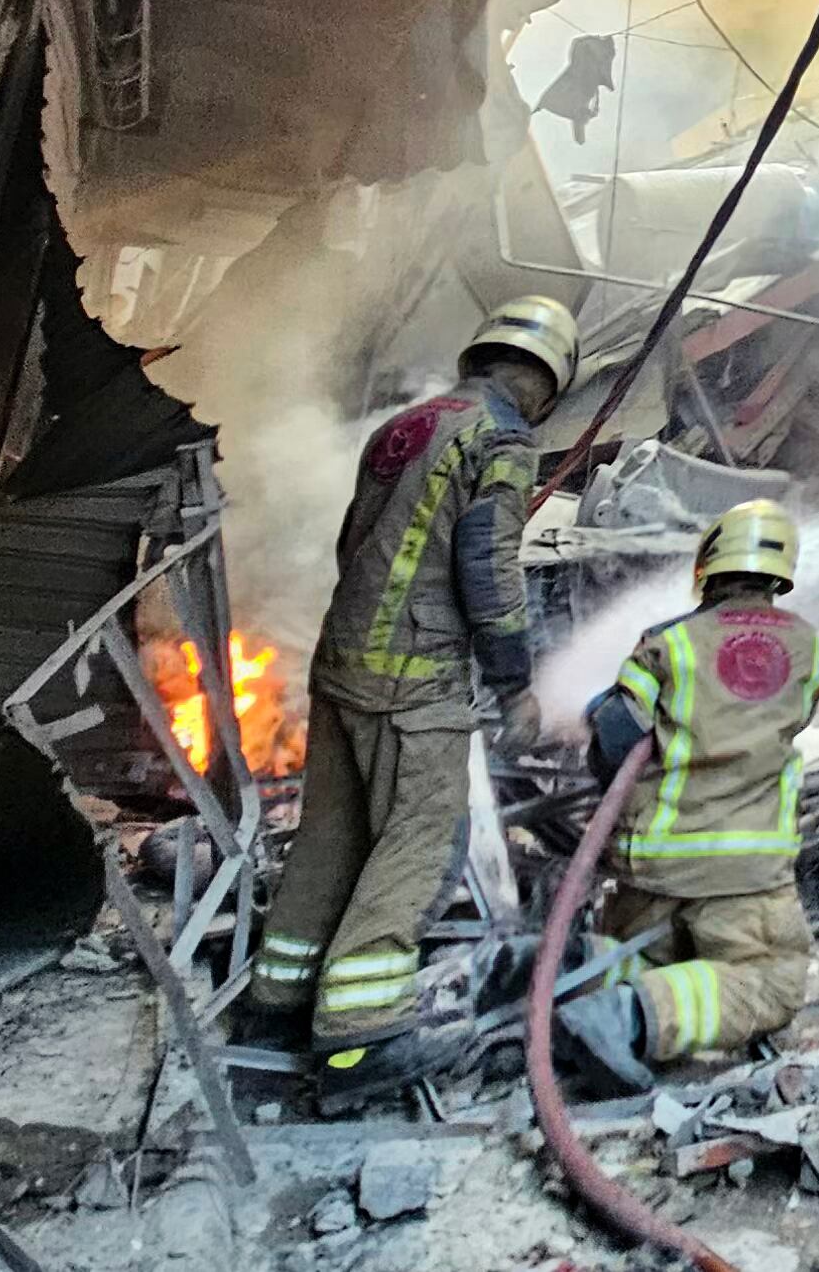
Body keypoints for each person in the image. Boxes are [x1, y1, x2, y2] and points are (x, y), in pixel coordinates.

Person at [247, 295, 574, 1079]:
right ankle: (359, 1035)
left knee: (331, 835)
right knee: (421, 843)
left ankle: (276, 1000)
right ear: (545, 382)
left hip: (342, 665)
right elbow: (489, 568)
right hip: (414, 683)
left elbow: (353, 541)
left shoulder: (405, 426)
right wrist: (513, 686)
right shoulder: (501, 436)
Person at [553, 499, 819, 1089]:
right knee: (775, 980)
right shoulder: (811, 649)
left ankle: (582, 974)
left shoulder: (666, 643)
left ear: (707, 565)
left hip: (651, 860)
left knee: (649, 955)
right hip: (745, 870)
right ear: (782, 573)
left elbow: (614, 736)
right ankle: (626, 1016)